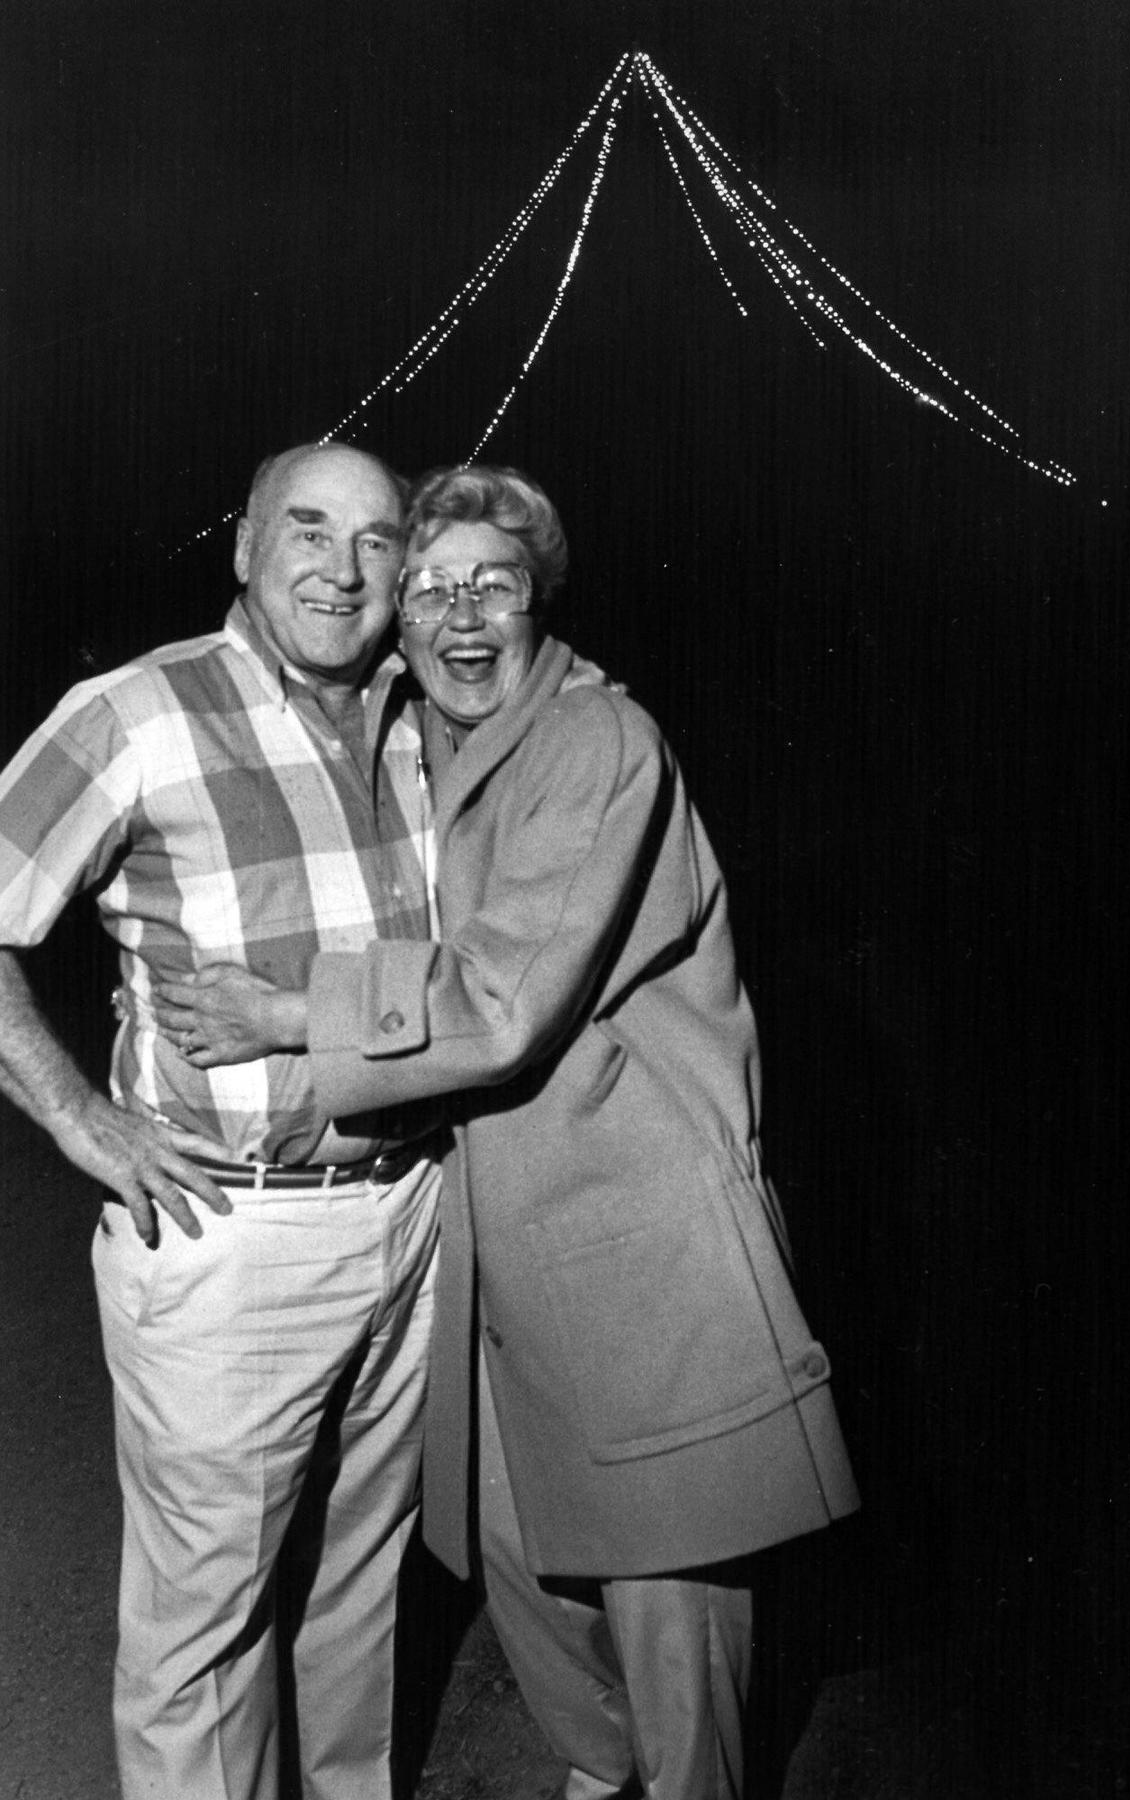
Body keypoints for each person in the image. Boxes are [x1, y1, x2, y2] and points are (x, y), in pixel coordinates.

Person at [156, 464, 860, 1800]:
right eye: (430, 587)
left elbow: (502, 996)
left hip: (643, 1240)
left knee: (669, 1596)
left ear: (542, 601)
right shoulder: (427, 739)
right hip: (500, 1243)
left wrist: (287, 1013)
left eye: (497, 583)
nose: (462, 614)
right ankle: (603, 1772)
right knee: (520, 1565)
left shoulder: (598, 742)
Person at [0, 442, 445, 1800]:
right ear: (245, 547)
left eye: (377, 541)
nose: (343, 570)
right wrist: (81, 1118)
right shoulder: (137, 712)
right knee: (205, 1633)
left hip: (417, 1212)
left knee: (362, 1590)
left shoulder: (424, 719)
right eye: (308, 530)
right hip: (231, 1239)